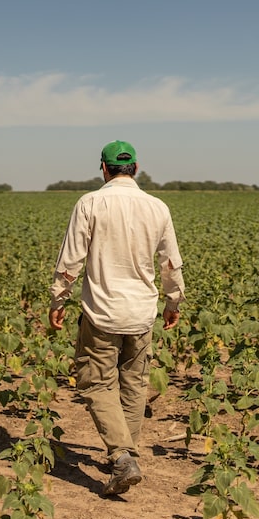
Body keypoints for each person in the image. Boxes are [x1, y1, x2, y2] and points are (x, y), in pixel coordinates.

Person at [49, 140, 185, 496]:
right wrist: (173, 302)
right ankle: (127, 454)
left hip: (102, 312)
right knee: (134, 383)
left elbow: (70, 261)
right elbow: (170, 262)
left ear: (104, 169)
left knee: (96, 383)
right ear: (135, 169)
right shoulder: (157, 207)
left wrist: (58, 298)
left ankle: (122, 455)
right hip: (142, 313)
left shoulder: (91, 203)